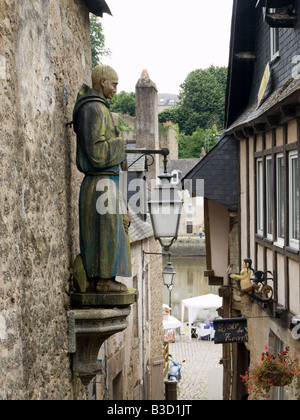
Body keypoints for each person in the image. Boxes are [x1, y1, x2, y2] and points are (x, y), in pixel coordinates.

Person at [72, 65, 132, 293]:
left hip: (104, 182)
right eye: (114, 84)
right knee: (107, 230)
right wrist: (121, 143)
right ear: (103, 81)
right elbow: (96, 154)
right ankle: (104, 281)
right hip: (101, 183)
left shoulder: (99, 108)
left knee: (112, 228)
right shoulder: (94, 109)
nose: (116, 90)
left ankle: (105, 279)